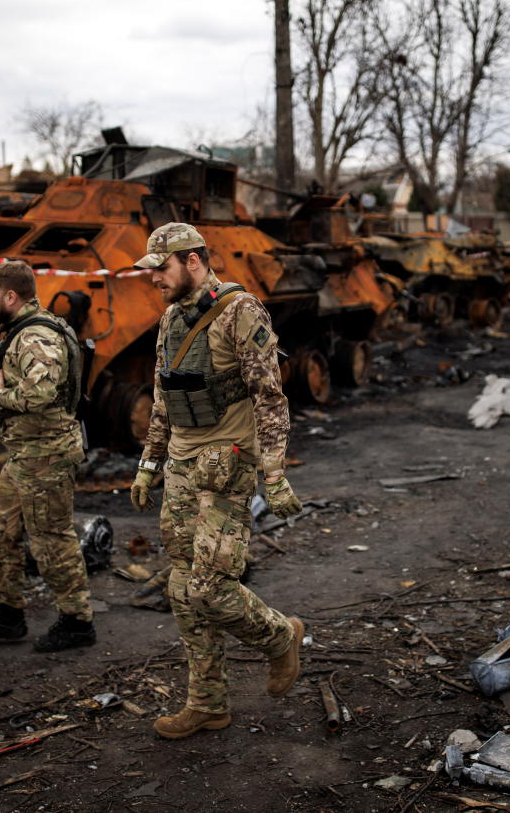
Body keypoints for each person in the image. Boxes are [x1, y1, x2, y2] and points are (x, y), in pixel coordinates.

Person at [128, 222, 304, 740]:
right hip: (181, 467)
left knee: (209, 587)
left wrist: (273, 472)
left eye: (162, 267)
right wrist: (149, 461)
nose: (155, 278)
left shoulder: (239, 312)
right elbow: (163, 397)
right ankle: (207, 703)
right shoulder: (169, 320)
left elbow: (270, 397)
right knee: (183, 588)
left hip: (226, 465)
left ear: (195, 260)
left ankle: (279, 637)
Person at [0, 260, 97, 652]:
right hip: (26, 453)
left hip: (47, 455)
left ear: (10, 296)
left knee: (51, 539)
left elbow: (41, 394)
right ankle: (8, 615)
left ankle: (77, 622)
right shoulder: (21, 330)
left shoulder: (36, 337)